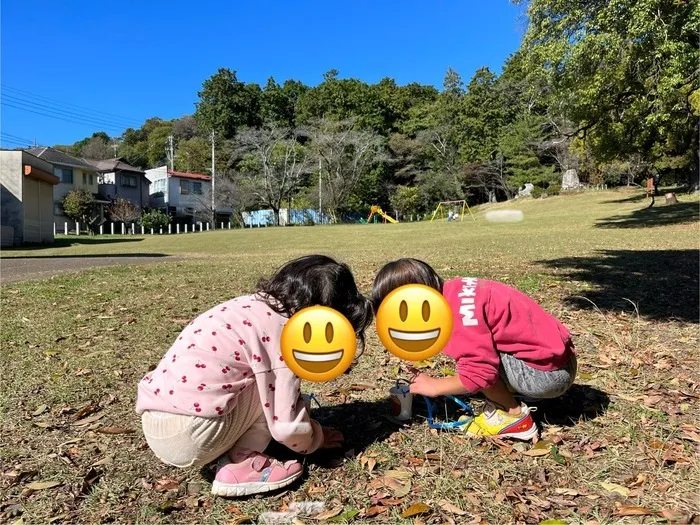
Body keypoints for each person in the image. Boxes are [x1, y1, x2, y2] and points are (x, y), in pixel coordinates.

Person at [136, 255, 373, 497]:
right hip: (190, 434)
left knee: (257, 380)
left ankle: (232, 442)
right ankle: (241, 465)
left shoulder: (251, 307)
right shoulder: (286, 336)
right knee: (270, 390)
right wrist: (316, 438)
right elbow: (286, 427)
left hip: (157, 420)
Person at [371, 258, 576, 440]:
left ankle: (515, 417)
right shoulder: (456, 291)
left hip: (547, 377)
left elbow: (480, 374)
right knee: (479, 352)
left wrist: (435, 387)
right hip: (559, 360)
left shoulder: (457, 318)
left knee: (477, 367)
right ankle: (513, 392)